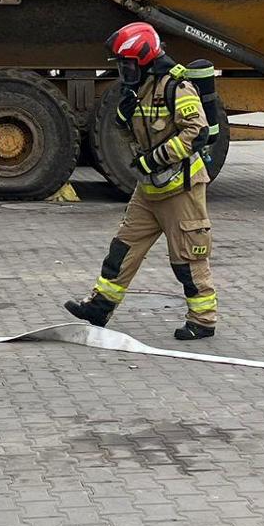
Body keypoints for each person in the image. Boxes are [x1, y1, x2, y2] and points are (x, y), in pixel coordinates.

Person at [63, 22, 219, 340]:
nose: (124, 70)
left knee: (188, 257)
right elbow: (138, 131)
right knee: (123, 248)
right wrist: (123, 117)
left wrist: (156, 158)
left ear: (145, 59)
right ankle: (99, 306)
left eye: (127, 64)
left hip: (181, 189)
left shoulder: (178, 87)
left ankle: (203, 319)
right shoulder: (140, 89)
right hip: (150, 188)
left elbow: (196, 132)